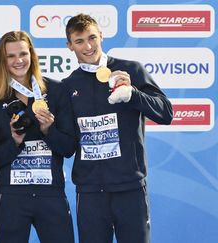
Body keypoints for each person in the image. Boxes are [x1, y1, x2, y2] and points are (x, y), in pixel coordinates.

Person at [62, 13, 173, 243]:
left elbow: (165, 113)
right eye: (79, 40)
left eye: (92, 37)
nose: (88, 46)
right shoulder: (68, 86)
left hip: (130, 188)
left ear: (101, 36)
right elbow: (67, 143)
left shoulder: (130, 70)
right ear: (70, 46)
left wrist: (134, 94)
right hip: (91, 192)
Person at [0, 31, 76, 243]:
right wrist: (14, 141)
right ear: (2, 60)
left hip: (51, 194)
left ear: (32, 55)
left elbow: (68, 148)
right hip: (11, 197)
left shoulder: (56, 90)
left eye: (23, 53)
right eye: (11, 56)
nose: (19, 61)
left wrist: (48, 130)